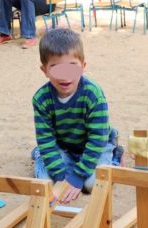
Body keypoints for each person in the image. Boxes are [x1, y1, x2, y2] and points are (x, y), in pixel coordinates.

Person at [31, 28, 120, 203]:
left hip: (96, 146)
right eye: (56, 68)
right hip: (64, 147)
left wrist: (77, 177)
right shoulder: (40, 99)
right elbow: (46, 140)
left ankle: (115, 156)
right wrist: (61, 177)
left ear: (83, 67)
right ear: (45, 70)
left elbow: (97, 139)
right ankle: (39, 156)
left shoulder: (93, 95)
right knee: (45, 183)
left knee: (92, 184)